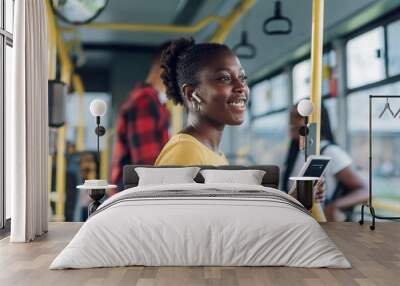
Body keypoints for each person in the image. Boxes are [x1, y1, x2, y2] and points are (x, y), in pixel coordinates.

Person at [154, 38, 323, 203]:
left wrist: (292, 199)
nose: (241, 87)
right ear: (192, 94)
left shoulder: (215, 154)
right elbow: (184, 229)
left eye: (242, 78)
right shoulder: (185, 152)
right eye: (224, 78)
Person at [283, 101, 368, 221]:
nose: (292, 122)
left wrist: (334, 206)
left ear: (316, 120)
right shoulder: (298, 153)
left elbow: (365, 190)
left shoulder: (330, 152)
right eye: (291, 117)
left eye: (298, 116)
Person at [110, 42, 171, 187]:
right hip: (137, 198)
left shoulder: (156, 104)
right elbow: (148, 168)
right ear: (164, 69)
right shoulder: (144, 102)